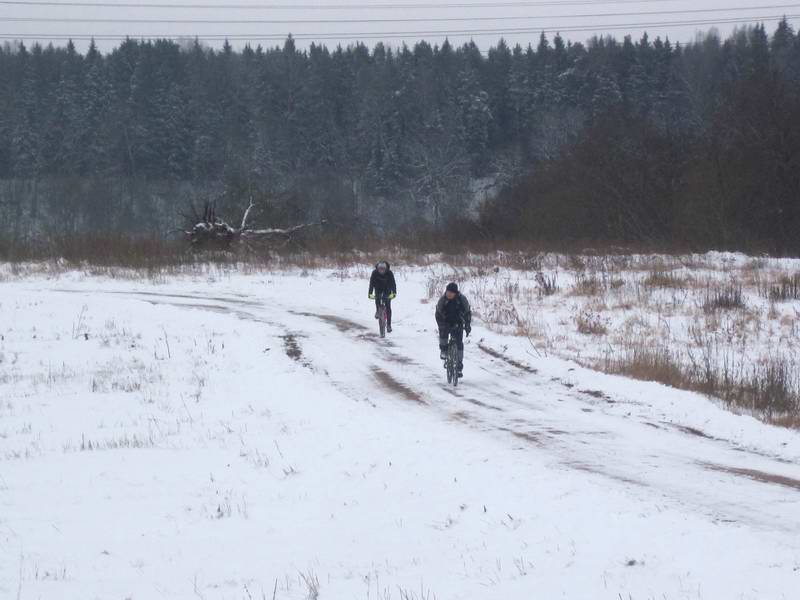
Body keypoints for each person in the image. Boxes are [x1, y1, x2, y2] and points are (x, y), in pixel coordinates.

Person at [435, 282, 471, 376]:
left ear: (455, 293)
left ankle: (459, 365)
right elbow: (438, 313)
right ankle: (444, 351)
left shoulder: (462, 299)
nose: (449, 294)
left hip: (457, 322)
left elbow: (467, 312)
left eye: (451, 292)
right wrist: (442, 325)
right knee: (443, 334)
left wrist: (467, 325)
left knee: (459, 343)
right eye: (447, 292)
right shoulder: (443, 300)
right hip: (444, 320)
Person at [368, 261, 397, 333]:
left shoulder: (389, 273)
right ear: (377, 268)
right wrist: (370, 293)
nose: (381, 271)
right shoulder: (374, 273)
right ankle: (378, 310)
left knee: (388, 306)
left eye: (383, 269)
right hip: (378, 288)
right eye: (380, 269)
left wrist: (394, 293)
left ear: (386, 268)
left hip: (387, 288)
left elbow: (393, 283)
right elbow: (371, 283)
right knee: (377, 298)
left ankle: (389, 325)